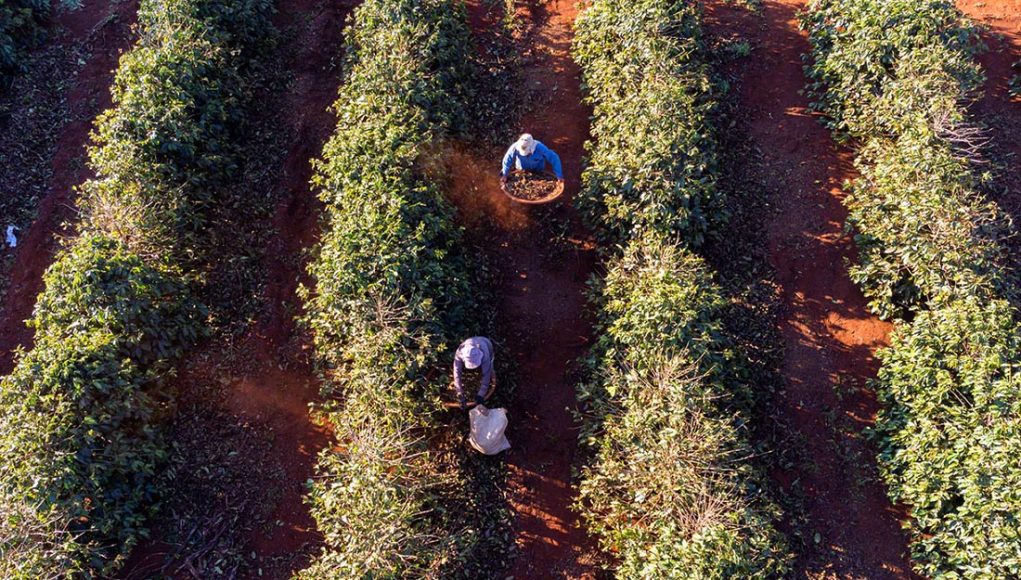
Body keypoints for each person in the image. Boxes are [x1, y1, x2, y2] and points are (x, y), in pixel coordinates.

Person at [500, 133, 564, 185]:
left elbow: (554, 158)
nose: (527, 154)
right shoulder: (515, 147)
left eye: (528, 152)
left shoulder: (540, 148)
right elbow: (507, 160)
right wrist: (504, 174)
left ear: (532, 147)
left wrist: (559, 176)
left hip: (538, 169)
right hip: (522, 170)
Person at [454, 336, 494, 413]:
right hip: (471, 342)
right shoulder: (460, 353)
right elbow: (456, 372)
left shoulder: (484, 353)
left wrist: (481, 394)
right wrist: (459, 393)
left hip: (486, 343)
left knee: (490, 368)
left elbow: (486, 374)